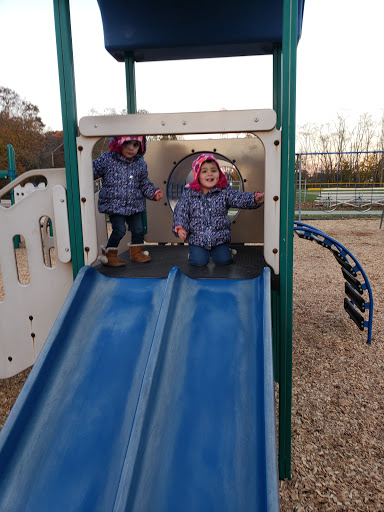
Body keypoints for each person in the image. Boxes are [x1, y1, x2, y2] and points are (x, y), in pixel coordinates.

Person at [172, 153, 264, 266]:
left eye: (213, 170)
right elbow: (181, 211)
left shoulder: (224, 192)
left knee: (224, 261)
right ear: (197, 176)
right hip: (197, 239)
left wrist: (254, 199)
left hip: (219, 238)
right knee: (199, 262)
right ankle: (193, 254)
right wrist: (180, 226)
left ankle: (226, 251)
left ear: (219, 174)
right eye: (204, 171)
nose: (209, 173)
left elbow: (239, 198)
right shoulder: (189, 195)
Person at [93, 135, 163, 266]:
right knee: (119, 229)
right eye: (127, 144)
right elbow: (91, 170)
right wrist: (80, 171)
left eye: (135, 145)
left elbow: (144, 183)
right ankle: (110, 254)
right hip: (115, 204)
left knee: (138, 229)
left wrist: (153, 193)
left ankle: (136, 253)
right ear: (118, 143)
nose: (131, 148)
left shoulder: (140, 164)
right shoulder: (108, 159)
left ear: (141, 146)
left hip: (135, 205)